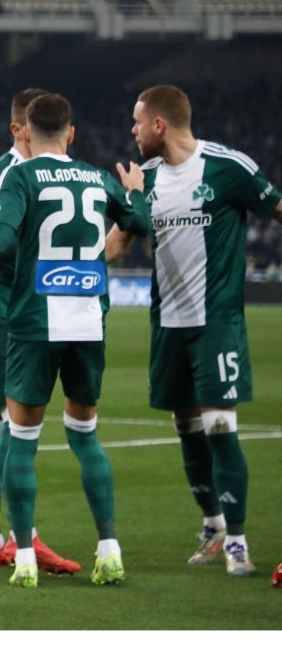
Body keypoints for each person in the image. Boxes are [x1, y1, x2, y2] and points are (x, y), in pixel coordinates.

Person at [0, 93, 151, 588]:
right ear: (70, 133)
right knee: (24, 426)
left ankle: (19, 548)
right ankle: (30, 543)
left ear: (27, 131)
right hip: (35, 312)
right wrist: (134, 197)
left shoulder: (22, 176)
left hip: (30, 315)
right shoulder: (82, 175)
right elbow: (136, 223)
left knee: (12, 430)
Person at [106, 84, 282, 576]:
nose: (133, 130)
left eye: (138, 121)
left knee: (221, 428)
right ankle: (214, 525)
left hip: (216, 323)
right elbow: (115, 246)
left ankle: (238, 543)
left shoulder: (228, 167)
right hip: (167, 326)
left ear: (159, 124)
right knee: (186, 428)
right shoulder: (145, 180)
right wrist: (58, 273)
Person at [0, 88, 79, 573]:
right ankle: (23, 538)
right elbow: (1, 242)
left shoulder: (15, 172)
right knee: (14, 422)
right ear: (20, 130)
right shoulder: (10, 173)